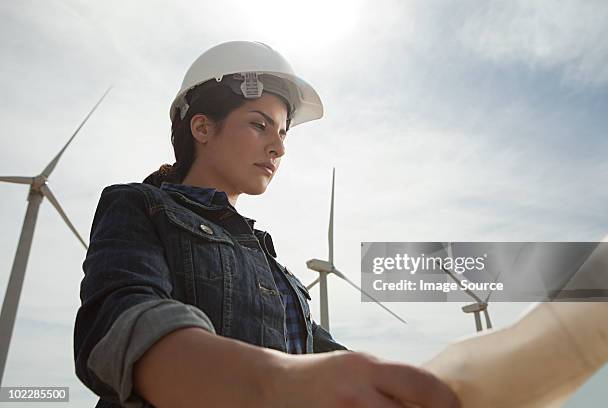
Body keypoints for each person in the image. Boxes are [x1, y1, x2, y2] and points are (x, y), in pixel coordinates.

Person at [73, 40, 460, 408]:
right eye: (260, 125)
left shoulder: (282, 277)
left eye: (283, 132)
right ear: (202, 128)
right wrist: (276, 383)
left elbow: (332, 369)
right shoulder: (140, 205)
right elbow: (117, 325)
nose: (279, 147)